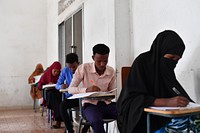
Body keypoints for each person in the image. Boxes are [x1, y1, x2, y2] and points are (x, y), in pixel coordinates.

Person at [116, 30, 200, 133]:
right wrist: (166, 102)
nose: (173, 62)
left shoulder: (166, 69)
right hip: (140, 119)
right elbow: (131, 101)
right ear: (161, 51)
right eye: (171, 57)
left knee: (196, 120)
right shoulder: (142, 62)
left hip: (164, 116)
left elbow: (174, 90)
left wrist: (189, 104)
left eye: (177, 60)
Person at [68, 44, 117, 133]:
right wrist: (86, 90)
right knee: (96, 121)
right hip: (89, 105)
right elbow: (70, 89)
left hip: (106, 104)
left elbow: (113, 92)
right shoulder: (83, 68)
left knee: (127, 113)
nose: (102, 64)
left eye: (105, 61)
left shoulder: (111, 71)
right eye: (99, 61)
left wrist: (108, 95)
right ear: (93, 58)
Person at [55, 53, 80, 133]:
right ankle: (69, 129)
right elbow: (57, 85)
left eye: (74, 67)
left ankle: (84, 130)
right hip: (71, 97)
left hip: (82, 97)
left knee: (90, 109)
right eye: (70, 67)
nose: (72, 69)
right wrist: (61, 86)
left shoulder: (83, 69)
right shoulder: (65, 70)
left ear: (78, 63)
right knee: (62, 106)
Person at [38, 61, 62, 128]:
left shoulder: (60, 75)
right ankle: (59, 120)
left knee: (59, 99)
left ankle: (59, 119)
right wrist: (47, 84)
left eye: (58, 72)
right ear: (51, 69)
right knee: (53, 96)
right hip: (49, 94)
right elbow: (39, 85)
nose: (56, 73)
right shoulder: (46, 74)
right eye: (54, 71)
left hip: (58, 92)